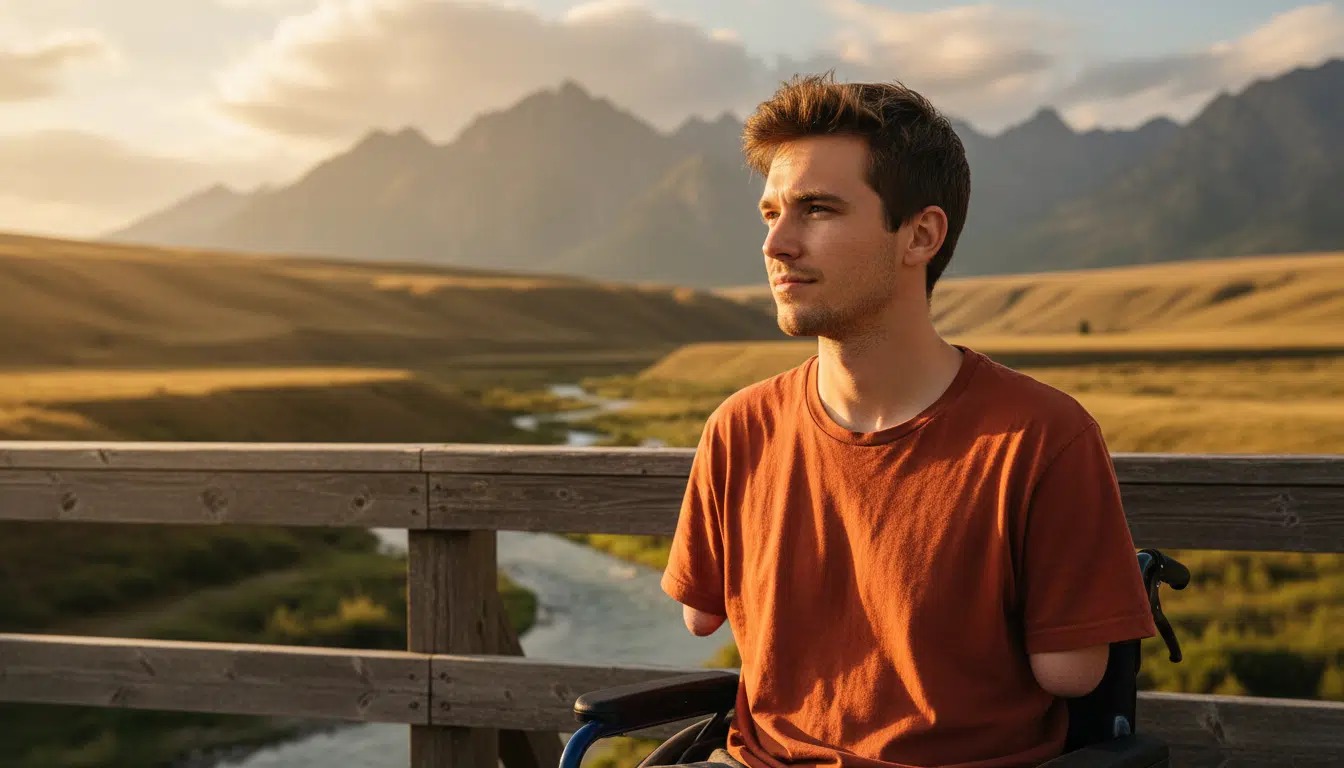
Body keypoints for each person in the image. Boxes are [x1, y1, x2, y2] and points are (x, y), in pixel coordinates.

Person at [658, 72, 1158, 768]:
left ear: (920, 234)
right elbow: (1069, 669)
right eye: (771, 213)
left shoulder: (742, 426)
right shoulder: (1044, 432)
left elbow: (698, 612)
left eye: (818, 210)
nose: (777, 245)